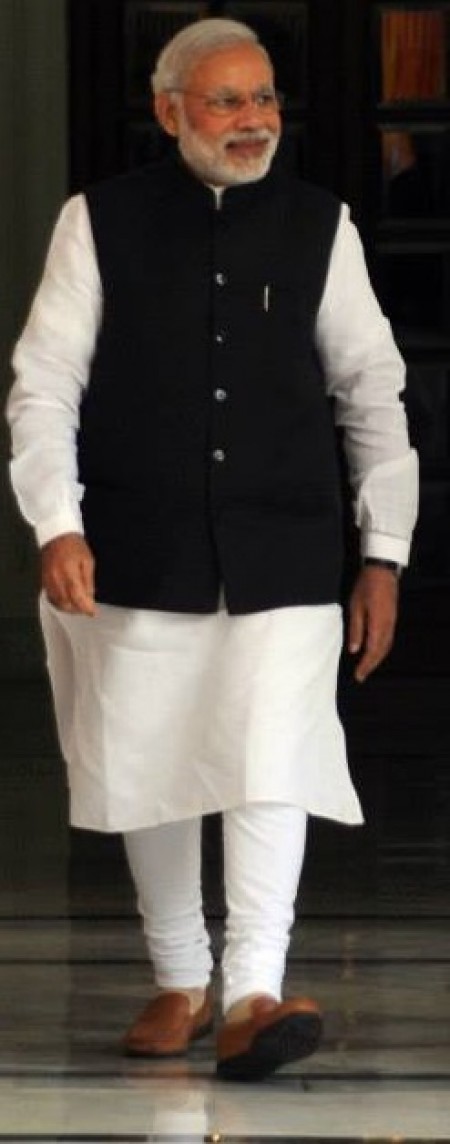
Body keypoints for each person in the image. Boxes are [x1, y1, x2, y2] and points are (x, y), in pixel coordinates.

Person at [6, 17, 418, 1082]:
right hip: (138, 544)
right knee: (152, 757)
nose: (253, 120)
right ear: (171, 111)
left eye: (264, 97)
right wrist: (58, 521)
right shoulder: (98, 222)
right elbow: (45, 386)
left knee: (271, 763)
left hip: (287, 547)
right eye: (227, 99)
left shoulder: (321, 225)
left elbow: (372, 393)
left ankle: (252, 992)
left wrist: (384, 553)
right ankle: (180, 976)